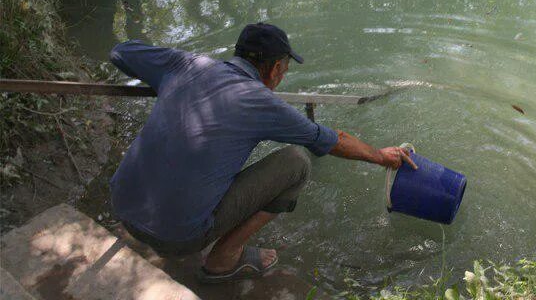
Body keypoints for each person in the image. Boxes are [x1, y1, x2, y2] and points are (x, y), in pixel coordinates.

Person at [109, 22, 416, 283]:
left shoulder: (187, 65)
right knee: (297, 162)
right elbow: (333, 141)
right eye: (283, 69)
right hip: (175, 238)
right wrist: (381, 155)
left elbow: (120, 52)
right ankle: (223, 261)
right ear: (273, 69)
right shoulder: (261, 103)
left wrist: (168, 82)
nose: (281, 77)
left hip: (122, 206)